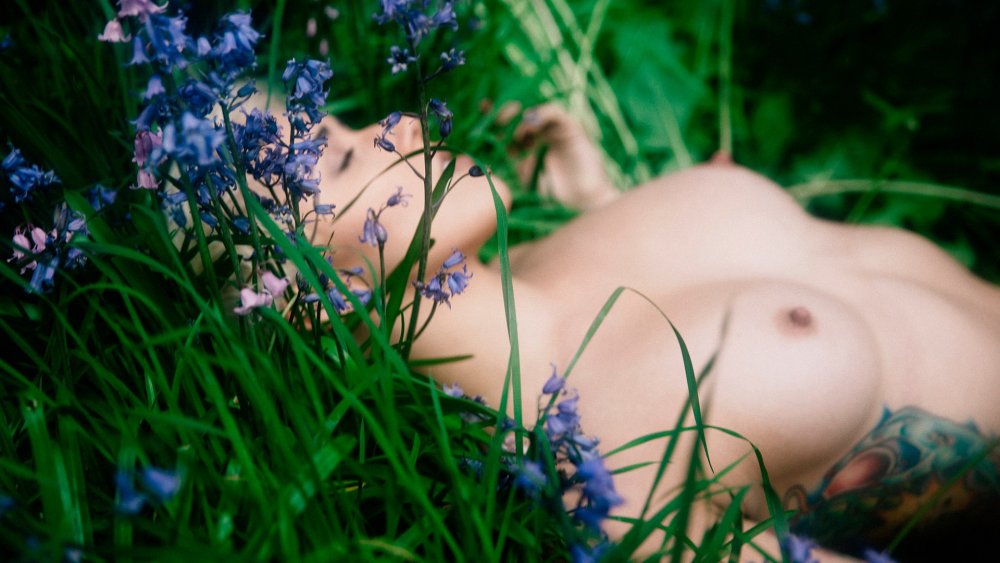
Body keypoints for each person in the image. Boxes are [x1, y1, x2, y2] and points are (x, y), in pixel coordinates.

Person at [262, 104, 1000, 561]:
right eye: (343, 154)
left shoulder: (539, 265)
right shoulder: (599, 481)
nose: (403, 124)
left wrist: (602, 195)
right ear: (317, 300)